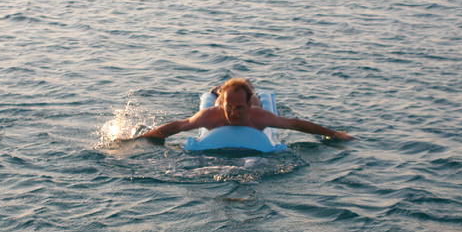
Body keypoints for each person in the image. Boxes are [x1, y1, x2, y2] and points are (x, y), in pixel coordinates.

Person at [138, 78, 353, 140]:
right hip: (219, 100)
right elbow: (179, 126)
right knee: (219, 98)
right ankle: (219, 90)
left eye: (239, 107)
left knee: (253, 96)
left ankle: (248, 87)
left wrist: (333, 134)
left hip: (253, 102)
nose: (233, 113)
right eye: (229, 107)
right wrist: (144, 138)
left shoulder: (258, 116)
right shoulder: (211, 115)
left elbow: (295, 124)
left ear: (247, 106)